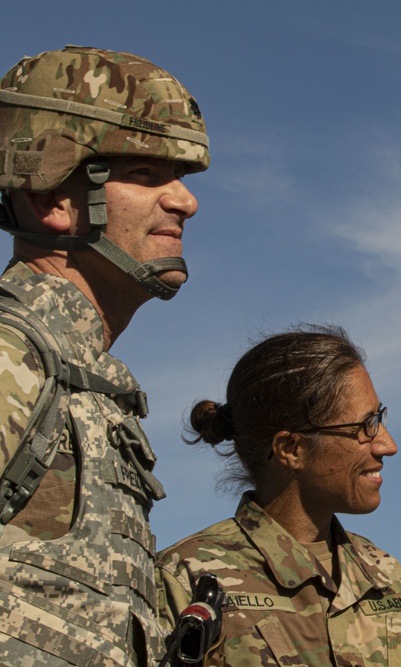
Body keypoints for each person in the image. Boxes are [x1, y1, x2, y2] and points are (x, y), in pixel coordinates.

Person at [0, 46, 209, 665]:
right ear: (53, 201)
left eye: (180, 179)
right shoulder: (15, 353)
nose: (184, 202)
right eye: (145, 175)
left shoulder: (80, 376)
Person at [156, 325, 401, 666]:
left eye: (379, 418)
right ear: (291, 449)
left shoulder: (387, 578)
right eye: (365, 426)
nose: (387, 445)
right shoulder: (187, 579)